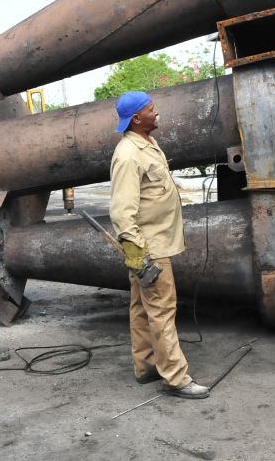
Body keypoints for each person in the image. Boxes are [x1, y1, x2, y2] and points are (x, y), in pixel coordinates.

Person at [109, 91, 209, 400]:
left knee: (142, 308)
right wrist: (138, 254)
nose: (157, 113)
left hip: (155, 243)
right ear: (137, 118)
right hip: (149, 249)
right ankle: (176, 378)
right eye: (152, 110)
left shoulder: (147, 144)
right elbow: (121, 210)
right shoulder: (128, 154)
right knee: (163, 311)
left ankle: (147, 365)